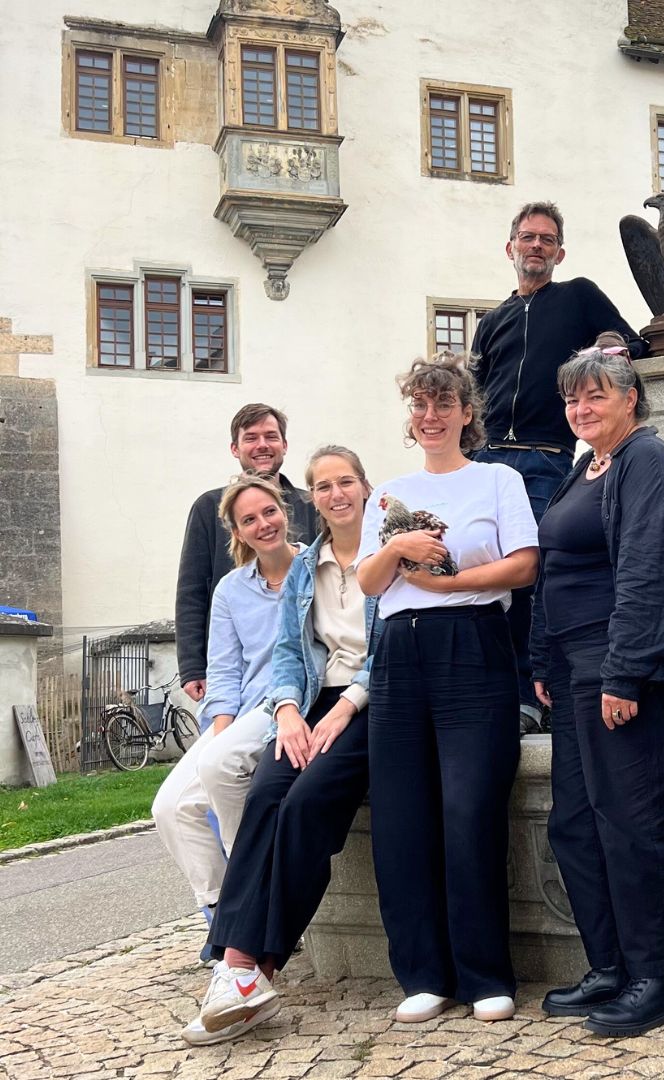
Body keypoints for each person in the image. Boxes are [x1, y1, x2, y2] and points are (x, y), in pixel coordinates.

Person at [530, 334, 664, 1038]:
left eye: (596, 393)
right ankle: (609, 966)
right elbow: (552, 569)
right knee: (576, 823)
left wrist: (626, 670)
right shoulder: (588, 466)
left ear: (630, 397)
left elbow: (651, 566)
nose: (581, 406)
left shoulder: (647, 459)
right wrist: (544, 661)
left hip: (618, 666)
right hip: (575, 669)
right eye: (572, 396)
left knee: (634, 825)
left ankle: (655, 981)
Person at [358, 355, 538, 1024]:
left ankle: (485, 972)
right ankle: (423, 975)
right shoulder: (391, 489)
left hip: (472, 643)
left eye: (443, 404)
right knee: (403, 816)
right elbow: (370, 584)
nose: (430, 415)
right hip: (399, 653)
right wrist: (400, 548)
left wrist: (448, 584)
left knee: (469, 811)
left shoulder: (498, 479)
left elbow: (522, 567)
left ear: (466, 413)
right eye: (420, 405)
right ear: (411, 418)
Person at [183, 446, 375, 1046]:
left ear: (366, 488)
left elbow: (393, 646)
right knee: (266, 793)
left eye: (345, 482)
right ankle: (237, 969)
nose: (335, 493)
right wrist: (288, 709)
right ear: (311, 499)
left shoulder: (386, 552)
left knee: (302, 807)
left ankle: (252, 973)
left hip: (372, 703)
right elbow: (292, 654)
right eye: (323, 485)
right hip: (312, 701)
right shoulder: (305, 568)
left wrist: (345, 708)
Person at [471, 201, 648, 733]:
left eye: (547, 240)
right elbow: (474, 393)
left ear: (559, 252)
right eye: (528, 238)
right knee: (482, 574)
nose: (537, 247)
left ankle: (531, 697)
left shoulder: (578, 296)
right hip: (486, 459)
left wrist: (608, 350)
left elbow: (629, 344)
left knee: (532, 575)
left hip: (545, 456)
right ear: (511, 247)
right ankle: (492, 691)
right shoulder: (492, 321)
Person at [153, 475, 301, 932]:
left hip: (289, 703)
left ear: (284, 512)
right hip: (239, 713)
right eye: (249, 519)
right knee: (171, 807)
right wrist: (218, 730)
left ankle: (254, 906)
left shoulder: (315, 569)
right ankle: (222, 912)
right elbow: (223, 671)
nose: (263, 524)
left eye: (269, 512)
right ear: (237, 533)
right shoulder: (232, 590)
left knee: (220, 766)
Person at [176, 403, 318, 706]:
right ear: (234, 448)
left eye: (271, 436)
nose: (263, 445)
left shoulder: (312, 506)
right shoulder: (209, 508)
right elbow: (191, 590)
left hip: (302, 666)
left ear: (284, 445)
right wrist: (192, 666)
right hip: (233, 666)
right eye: (251, 438)